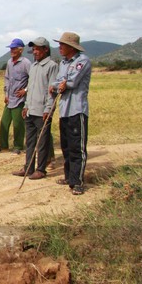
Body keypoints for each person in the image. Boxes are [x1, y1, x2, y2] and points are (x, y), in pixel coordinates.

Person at [49, 32, 91, 195]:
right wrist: (60, 84)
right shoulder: (64, 63)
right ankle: (68, 177)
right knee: (66, 146)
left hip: (77, 109)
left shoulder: (82, 61)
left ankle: (78, 181)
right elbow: (58, 83)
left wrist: (62, 84)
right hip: (64, 110)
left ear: (71, 47)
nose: (59, 47)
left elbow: (72, 82)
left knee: (77, 147)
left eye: (62, 44)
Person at [12, 37, 58, 179]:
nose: (35, 51)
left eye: (38, 49)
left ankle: (41, 169)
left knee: (42, 142)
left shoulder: (51, 66)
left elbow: (52, 90)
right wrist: (26, 106)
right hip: (30, 110)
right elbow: (30, 89)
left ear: (45, 49)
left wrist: (48, 109)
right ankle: (28, 168)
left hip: (43, 111)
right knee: (30, 141)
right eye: (34, 49)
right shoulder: (33, 66)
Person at [0, 38, 31, 155]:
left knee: (18, 124)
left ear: (20, 50)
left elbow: (33, 79)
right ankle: (3, 146)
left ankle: (18, 146)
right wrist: (6, 94)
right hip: (10, 98)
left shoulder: (26, 63)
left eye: (14, 48)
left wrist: (25, 90)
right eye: (11, 48)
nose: (12, 51)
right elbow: (6, 78)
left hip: (19, 99)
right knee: (4, 122)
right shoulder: (10, 62)